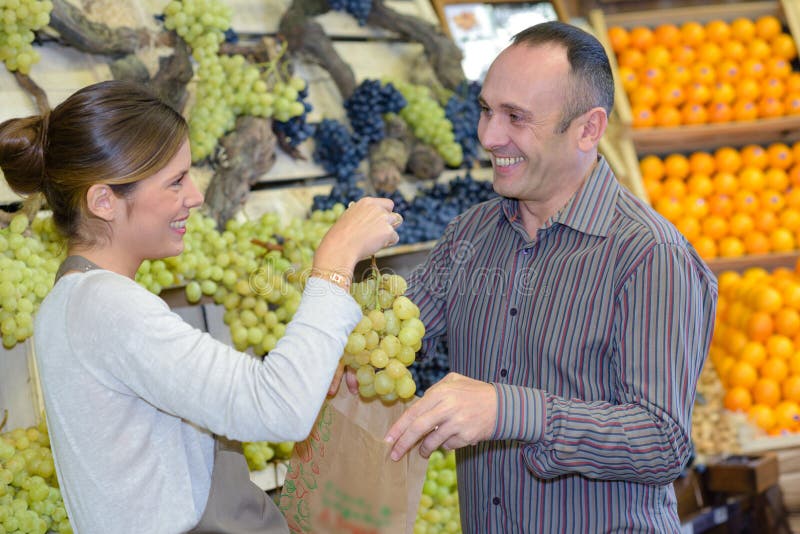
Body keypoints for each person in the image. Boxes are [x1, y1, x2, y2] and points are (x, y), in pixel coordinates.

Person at [0, 79, 402, 533]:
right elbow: (278, 408)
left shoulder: (73, 300)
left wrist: (309, 366)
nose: (195, 196)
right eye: (175, 182)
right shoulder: (106, 307)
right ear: (104, 201)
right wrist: (335, 259)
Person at [382, 21, 718, 532]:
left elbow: (663, 441)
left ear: (588, 128)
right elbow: (394, 334)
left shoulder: (649, 255)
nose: (490, 137)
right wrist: (337, 276)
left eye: (516, 117)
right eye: (486, 110)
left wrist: (511, 411)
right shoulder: (472, 234)